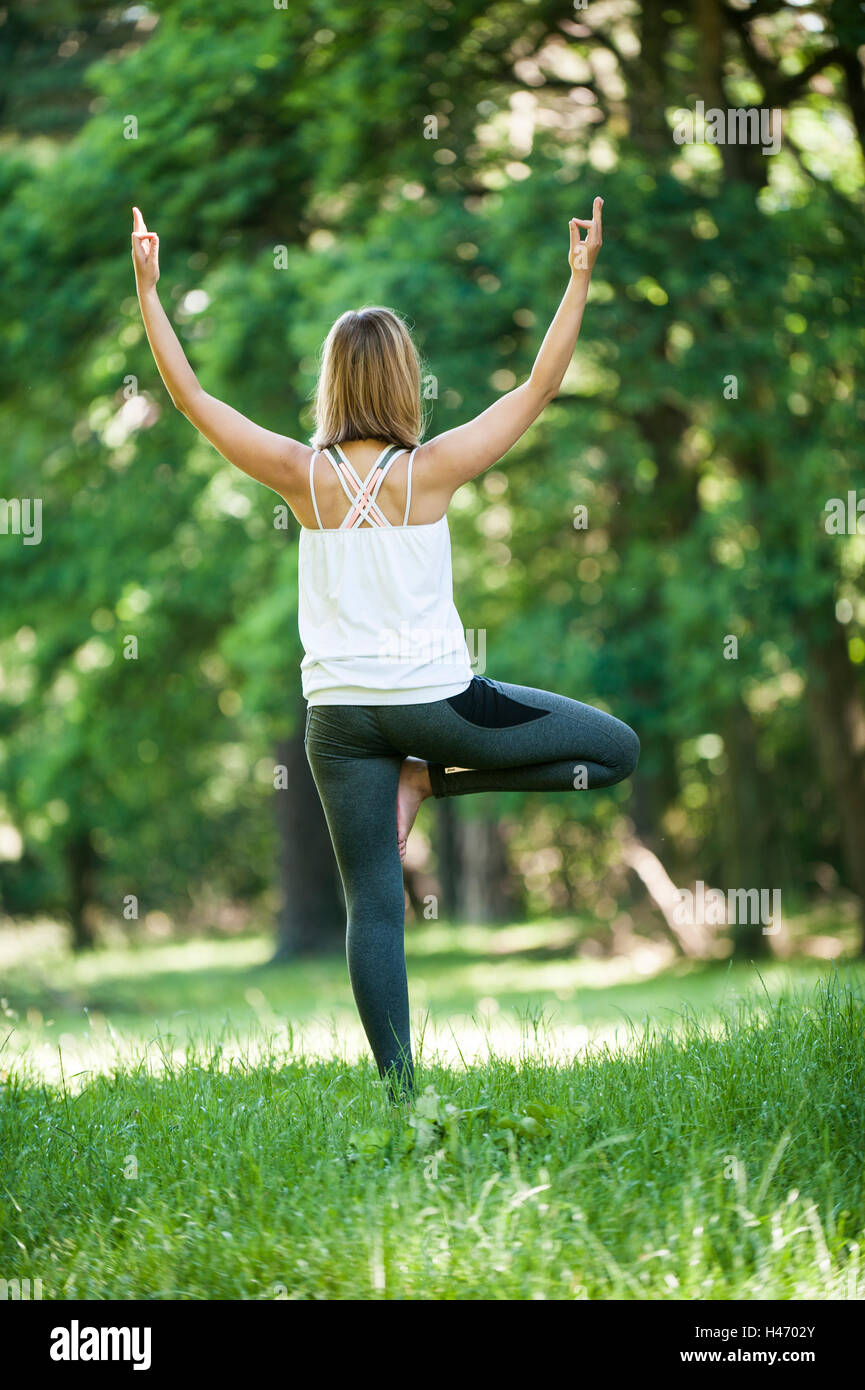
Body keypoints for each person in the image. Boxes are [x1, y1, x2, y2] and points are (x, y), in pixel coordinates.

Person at [131, 196, 639, 1105]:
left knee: (375, 904)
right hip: (437, 704)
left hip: (337, 721)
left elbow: (191, 398)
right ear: (405, 380)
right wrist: (578, 281)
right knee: (613, 753)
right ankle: (430, 781)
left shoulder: (300, 475)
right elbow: (536, 391)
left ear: (332, 382)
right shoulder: (430, 468)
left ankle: (403, 1102)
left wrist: (150, 290)